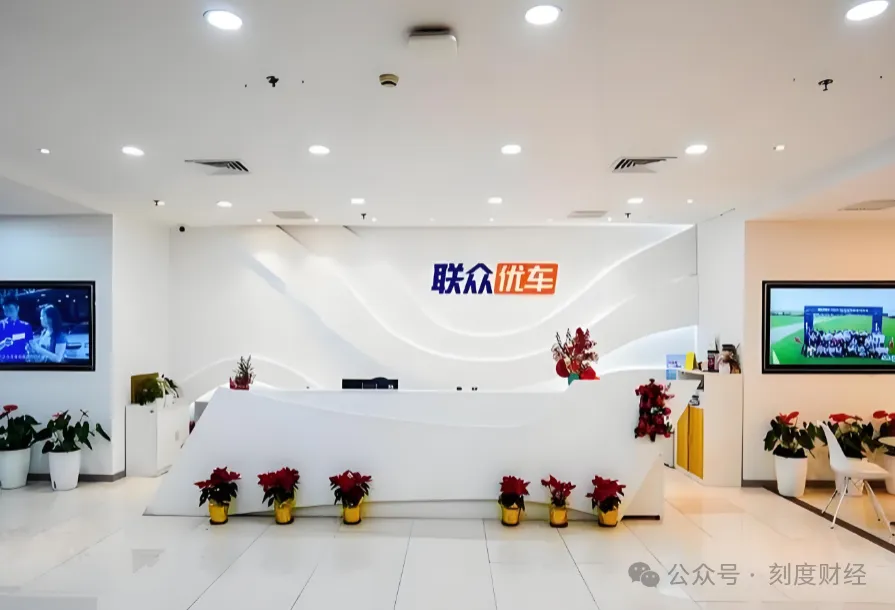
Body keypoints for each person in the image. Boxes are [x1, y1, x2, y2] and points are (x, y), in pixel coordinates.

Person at [0, 295, 33, 363]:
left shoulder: (26, 326)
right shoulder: (0, 325)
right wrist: (3, 343)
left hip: (21, 363)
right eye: (5, 310)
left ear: (17, 308)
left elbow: (31, 345)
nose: (8, 314)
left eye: (10, 310)